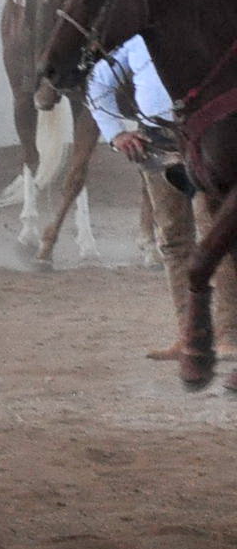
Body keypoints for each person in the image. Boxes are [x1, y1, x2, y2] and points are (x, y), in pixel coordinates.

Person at [86, 35, 237, 360]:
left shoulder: (202, 27)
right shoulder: (136, 42)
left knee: (215, 235)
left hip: (202, 146)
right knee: (172, 240)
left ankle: (228, 333)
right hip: (154, 147)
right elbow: (98, 80)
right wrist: (116, 133)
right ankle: (190, 333)